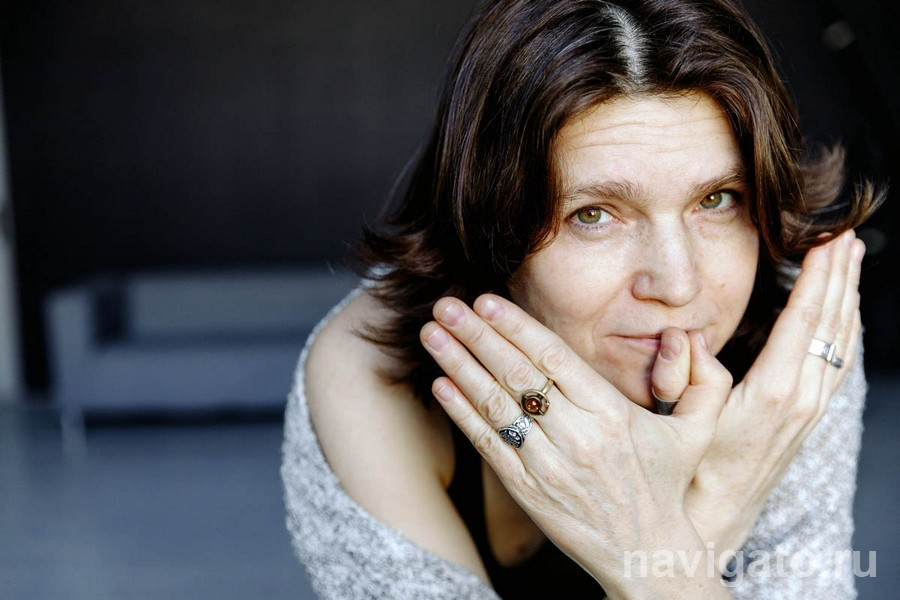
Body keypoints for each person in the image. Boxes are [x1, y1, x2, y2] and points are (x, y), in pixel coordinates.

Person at [282, 0, 883, 597]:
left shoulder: (798, 339)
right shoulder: (371, 373)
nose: (678, 285)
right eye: (593, 214)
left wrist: (678, 531)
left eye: (716, 199)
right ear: (490, 225)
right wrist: (720, 498)